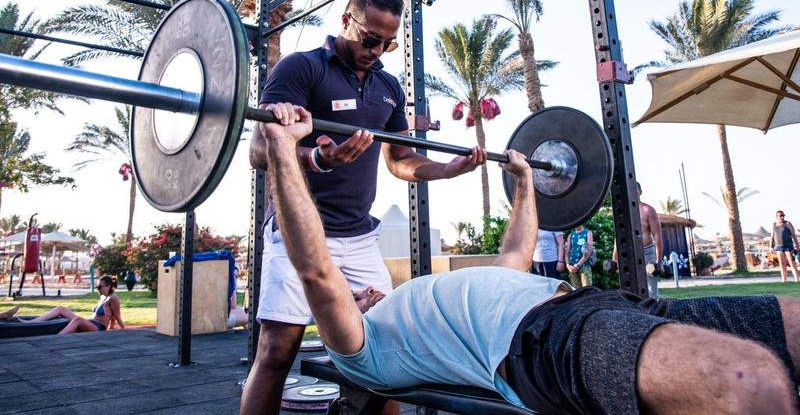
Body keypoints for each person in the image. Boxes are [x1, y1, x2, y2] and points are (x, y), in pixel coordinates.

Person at [257, 103, 800, 415]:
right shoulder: (363, 347)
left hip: (597, 305)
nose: (365, 289)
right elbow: (316, 270)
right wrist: (285, 150)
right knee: (751, 382)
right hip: (540, 345)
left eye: (362, 288)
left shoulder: (439, 300)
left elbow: (517, 251)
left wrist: (524, 182)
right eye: (354, 297)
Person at [242, 0, 486, 415]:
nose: (377, 49)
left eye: (388, 43)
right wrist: (318, 157)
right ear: (345, 21)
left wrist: (449, 170)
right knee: (276, 353)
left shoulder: (388, 87)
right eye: (370, 38)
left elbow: (401, 161)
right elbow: (260, 149)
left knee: (385, 354)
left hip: (358, 240)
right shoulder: (301, 69)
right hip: (298, 239)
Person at [0, 275, 124, 334]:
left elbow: (117, 316)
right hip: (91, 322)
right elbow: (111, 316)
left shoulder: (113, 298)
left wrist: (123, 330)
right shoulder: (103, 296)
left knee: (77, 319)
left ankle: (58, 338)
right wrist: (112, 325)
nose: (97, 289)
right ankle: (31, 323)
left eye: (99, 286)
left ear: (108, 286)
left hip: (98, 328)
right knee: (61, 309)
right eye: (97, 286)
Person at [612, 182, 663, 297]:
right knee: (629, 288)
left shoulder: (648, 210)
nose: (632, 192)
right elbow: (619, 235)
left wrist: (659, 261)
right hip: (629, 253)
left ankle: (652, 312)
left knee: (651, 290)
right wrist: (615, 257)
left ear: (640, 191)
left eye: (635, 189)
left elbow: (657, 236)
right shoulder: (623, 211)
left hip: (647, 252)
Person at [771, 210, 800, 283]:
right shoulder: (774, 225)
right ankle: (784, 281)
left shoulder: (787, 224)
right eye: (780, 216)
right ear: (777, 216)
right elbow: (772, 236)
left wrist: (797, 246)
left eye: (783, 215)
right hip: (779, 247)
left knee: (791, 263)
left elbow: (794, 235)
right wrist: (771, 246)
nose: (782, 217)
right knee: (782, 264)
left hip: (788, 246)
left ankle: (797, 280)